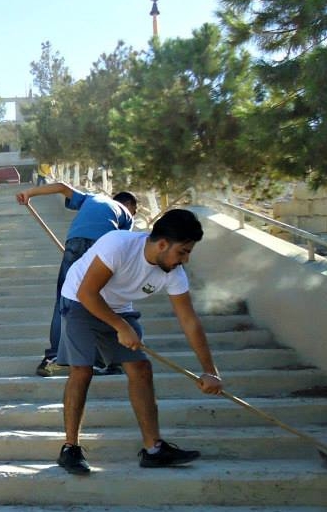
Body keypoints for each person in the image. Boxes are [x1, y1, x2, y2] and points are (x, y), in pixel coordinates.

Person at [54, 209, 224, 475]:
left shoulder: (173, 273)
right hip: (79, 300)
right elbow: (88, 293)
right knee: (82, 369)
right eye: (183, 252)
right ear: (163, 244)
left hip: (119, 307)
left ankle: (153, 449)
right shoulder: (118, 244)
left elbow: (189, 321)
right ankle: (70, 448)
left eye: (189, 253)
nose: (186, 260)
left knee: (141, 369)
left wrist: (209, 370)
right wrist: (121, 327)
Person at [16, 182, 138, 377]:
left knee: (64, 301)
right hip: (103, 249)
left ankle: (53, 358)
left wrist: (28, 192)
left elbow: (61, 186)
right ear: (130, 205)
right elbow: (122, 248)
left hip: (75, 241)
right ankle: (101, 359)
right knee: (99, 300)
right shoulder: (126, 215)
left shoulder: (93, 198)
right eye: (135, 210)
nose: (134, 214)